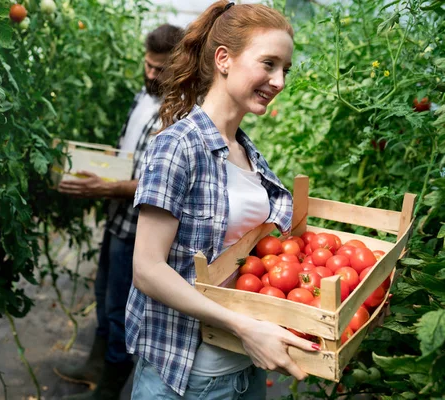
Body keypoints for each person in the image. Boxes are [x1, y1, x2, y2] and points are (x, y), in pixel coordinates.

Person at [127, 2, 320, 399]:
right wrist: (243, 326)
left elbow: (258, 258)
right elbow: (147, 269)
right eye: (268, 63)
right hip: (186, 377)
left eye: (285, 69)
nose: (279, 80)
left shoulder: (247, 152)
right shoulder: (177, 146)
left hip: (245, 368)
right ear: (224, 59)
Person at [55, 23, 184, 400]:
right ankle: (96, 367)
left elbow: (154, 186)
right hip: (117, 219)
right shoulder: (142, 98)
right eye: (148, 65)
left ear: (179, 66)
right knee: (103, 295)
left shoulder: (177, 114)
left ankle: (109, 389)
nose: (151, 75)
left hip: (140, 229)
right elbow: (126, 157)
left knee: (120, 311)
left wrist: (105, 187)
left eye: (161, 70)